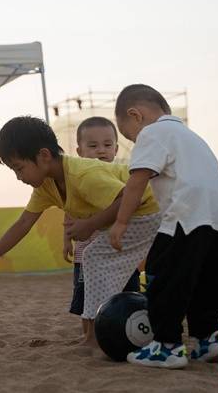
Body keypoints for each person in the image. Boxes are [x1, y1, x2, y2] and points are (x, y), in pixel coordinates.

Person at [0, 116, 160, 348]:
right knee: (93, 259)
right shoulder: (46, 185)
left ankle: (95, 337)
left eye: (19, 168)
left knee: (95, 257)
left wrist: (90, 224)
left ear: (44, 156)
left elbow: (130, 198)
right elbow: (24, 222)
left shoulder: (83, 175)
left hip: (150, 210)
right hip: (136, 216)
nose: (18, 177)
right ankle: (91, 336)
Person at [107, 84, 218, 369]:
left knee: (162, 273)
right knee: (209, 279)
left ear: (135, 115)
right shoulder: (190, 136)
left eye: (129, 135)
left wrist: (120, 222)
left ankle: (167, 346)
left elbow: (137, 182)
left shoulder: (152, 132)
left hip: (187, 216)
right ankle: (208, 337)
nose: (134, 140)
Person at [64, 117, 141, 338]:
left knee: (128, 295)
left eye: (107, 145)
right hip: (85, 255)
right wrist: (65, 240)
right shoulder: (77, 180)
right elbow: (68, 213)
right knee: (87, 297)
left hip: (121, 253)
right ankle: (88, 334)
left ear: (116, 148)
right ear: (79, 150)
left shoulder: (124, 175)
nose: (101, 151)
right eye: (93, 146)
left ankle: (126, 333)